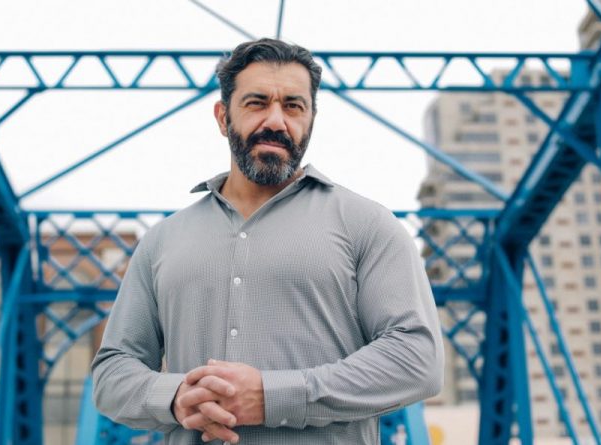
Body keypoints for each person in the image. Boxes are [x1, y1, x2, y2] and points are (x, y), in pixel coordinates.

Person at [91, 38, 444, 445]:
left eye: (293, 106)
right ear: (223, 117)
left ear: (310, 120)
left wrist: (272, 396)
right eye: (256, 103)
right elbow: (112, 372)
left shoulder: (368, 226)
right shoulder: (161, 241)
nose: (276, 121)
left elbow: (417, 359)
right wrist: (174, 398)